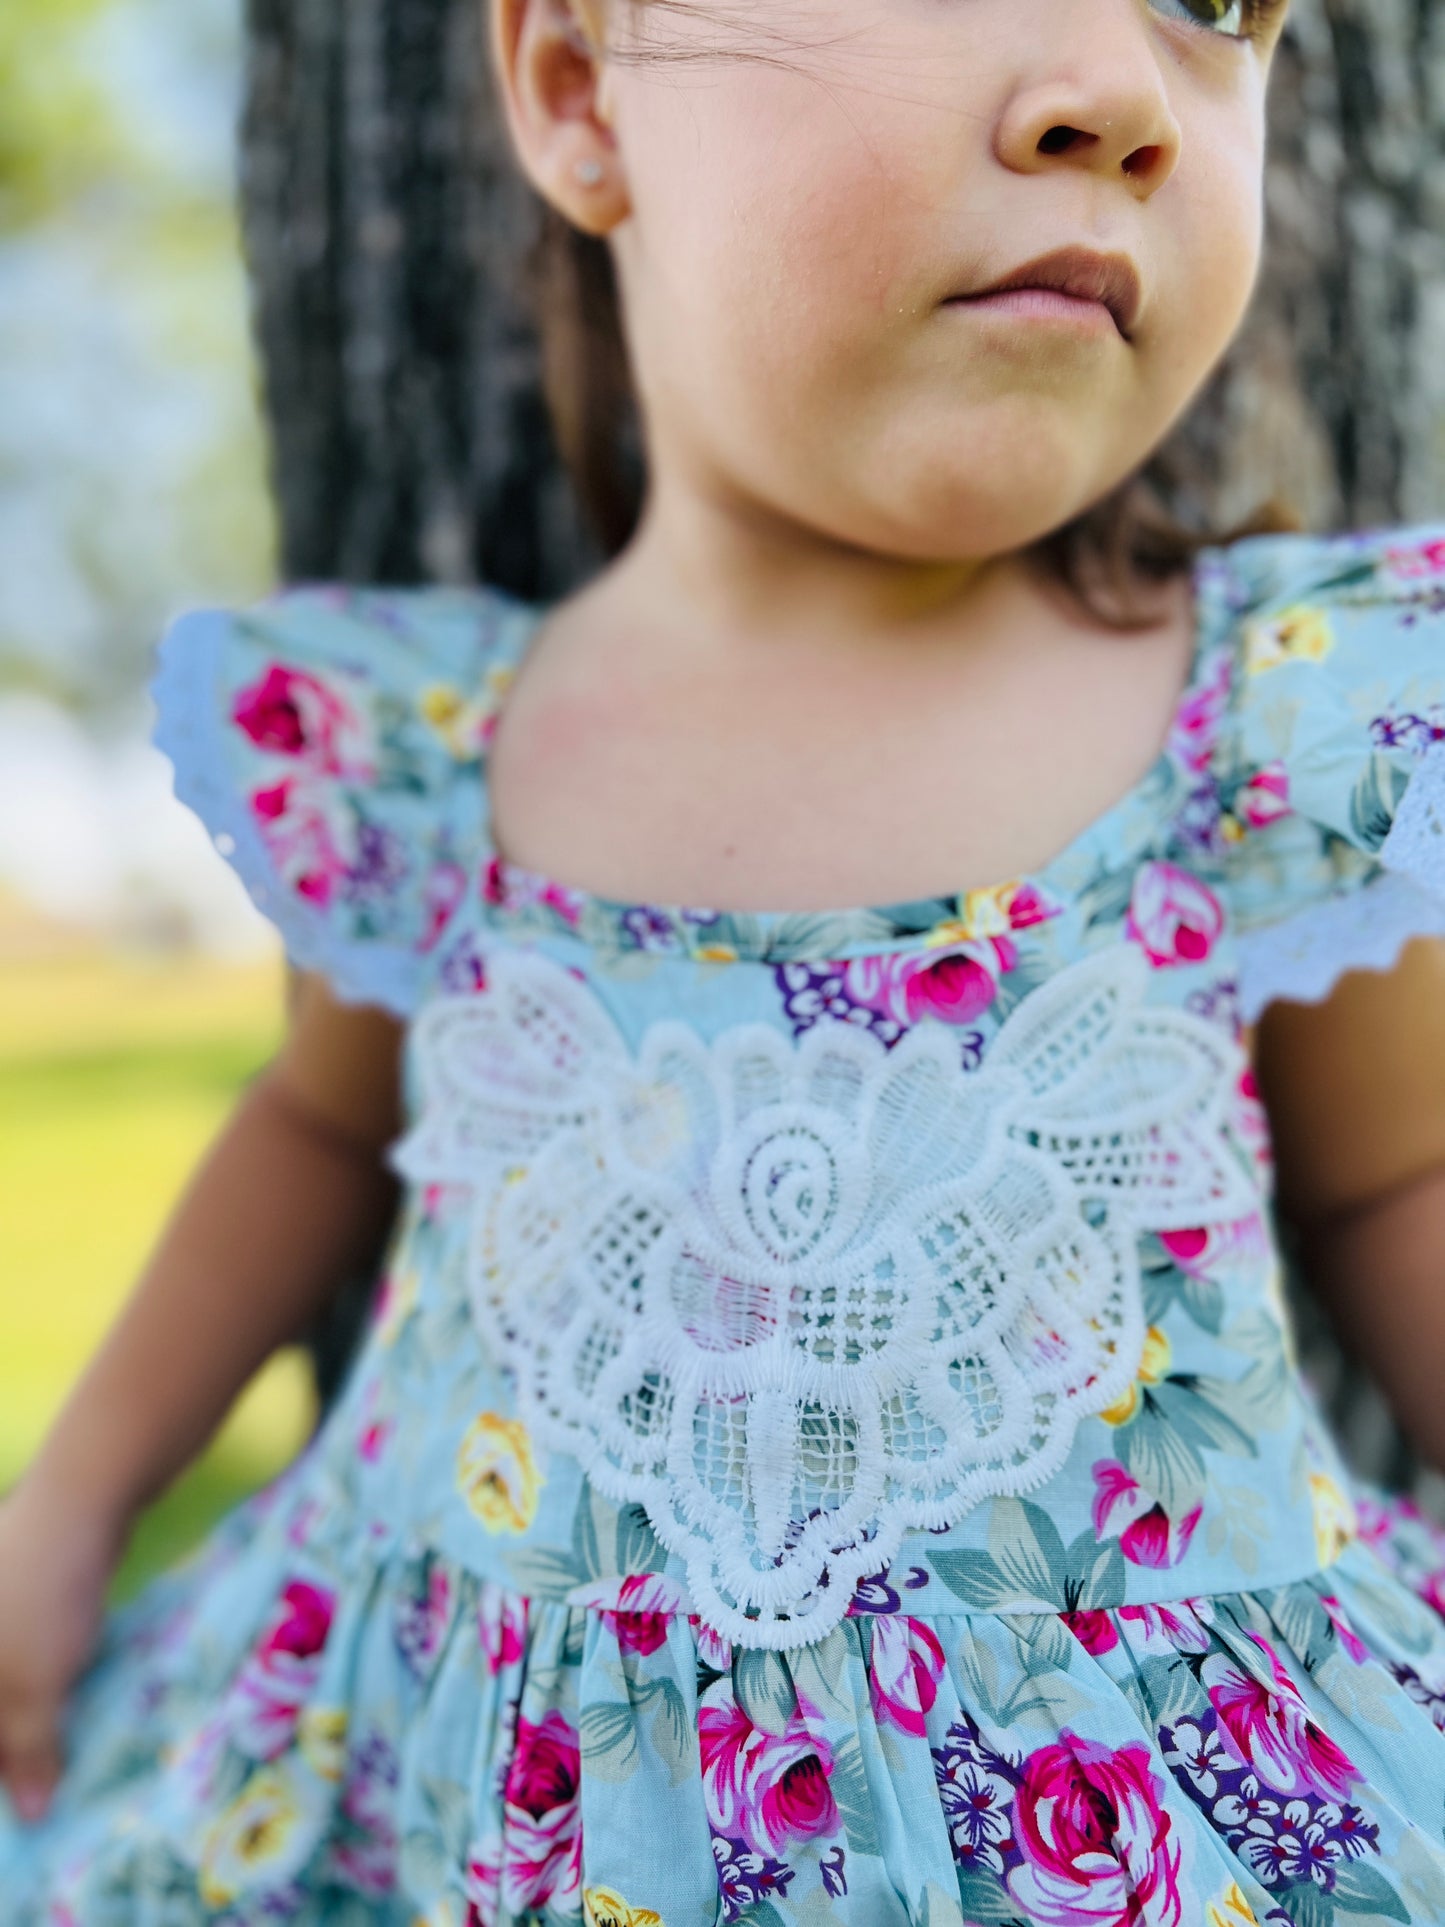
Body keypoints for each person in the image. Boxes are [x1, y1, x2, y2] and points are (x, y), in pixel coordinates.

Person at [5, 0, 1445, 1918]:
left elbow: (1402, 1184)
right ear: (581, 90)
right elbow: (315, 1134)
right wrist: (72, 1501)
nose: (1121, 96)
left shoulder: (1266, 733)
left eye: (1214, 5)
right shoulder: (440, 758)